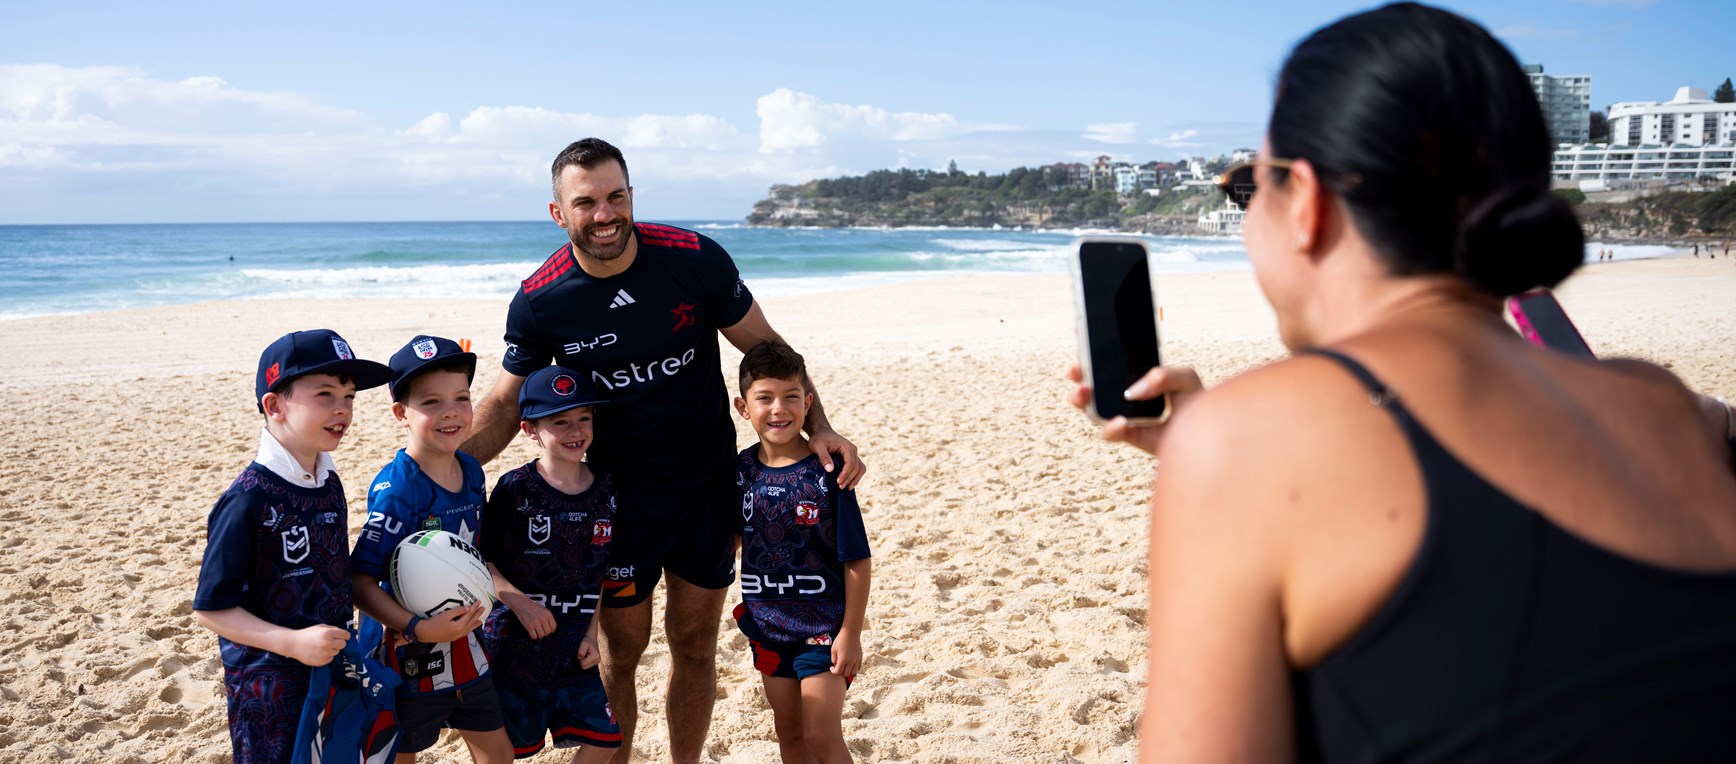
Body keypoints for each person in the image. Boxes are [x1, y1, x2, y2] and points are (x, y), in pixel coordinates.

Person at [1068, 4, 1736, 760]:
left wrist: (1228, 452)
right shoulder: (1674, 412)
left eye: (1250, 186)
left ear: (1308, 204)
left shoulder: (1244, 445)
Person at [462, 137, 865, 763]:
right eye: (586, 201)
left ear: (631, 195)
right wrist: (441, 469)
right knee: (621, 656)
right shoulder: (542, 299)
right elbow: (505, 404)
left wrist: (822, 430)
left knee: (697, 643)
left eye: (615, 196)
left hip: (705, 487)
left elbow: (766, 350)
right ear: (558, 213)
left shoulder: (693, 258)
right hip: (618, 504)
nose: (604, 214)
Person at [193, 329, 393, 764]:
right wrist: (291, 643)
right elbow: (211, 608)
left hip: (331, 670)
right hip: (270, 688)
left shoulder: (329, 480)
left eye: (350, 396)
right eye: (324, 394)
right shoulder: (248, 498)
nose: (343, 408)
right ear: (274, 404)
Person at [351, 335, 512, 763]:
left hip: (466, 642)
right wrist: (420, 629)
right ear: (401, 413)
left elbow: (473, 557)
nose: (451, 412)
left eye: (461, 398)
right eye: (432, 402)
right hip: (406, 654)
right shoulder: (399, 488)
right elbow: (360, 582)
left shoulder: (471, 470)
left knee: (499, 755)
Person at [730, 340, 872, 764]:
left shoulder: (828, 472)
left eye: (791, 397)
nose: (779, 409)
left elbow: (857, 559)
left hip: (824, 631)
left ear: (808, 403)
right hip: (767, 627)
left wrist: (851, 633)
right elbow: (735, 536)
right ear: (743, 407)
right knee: (789, 735)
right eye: (765, 398)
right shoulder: (740, 471)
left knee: (820, 735)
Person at [479, 365, 621, 763]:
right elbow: (481, 560)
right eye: (561, 422)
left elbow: (597, 574)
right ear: (530, 429)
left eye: (584, 419)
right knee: (505, 753)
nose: (576, 431)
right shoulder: (516, 487)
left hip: (572, 649)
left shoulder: (607, 488)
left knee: (605, 740)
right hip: (513, 648)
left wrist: (591, 635)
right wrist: (520, 603)